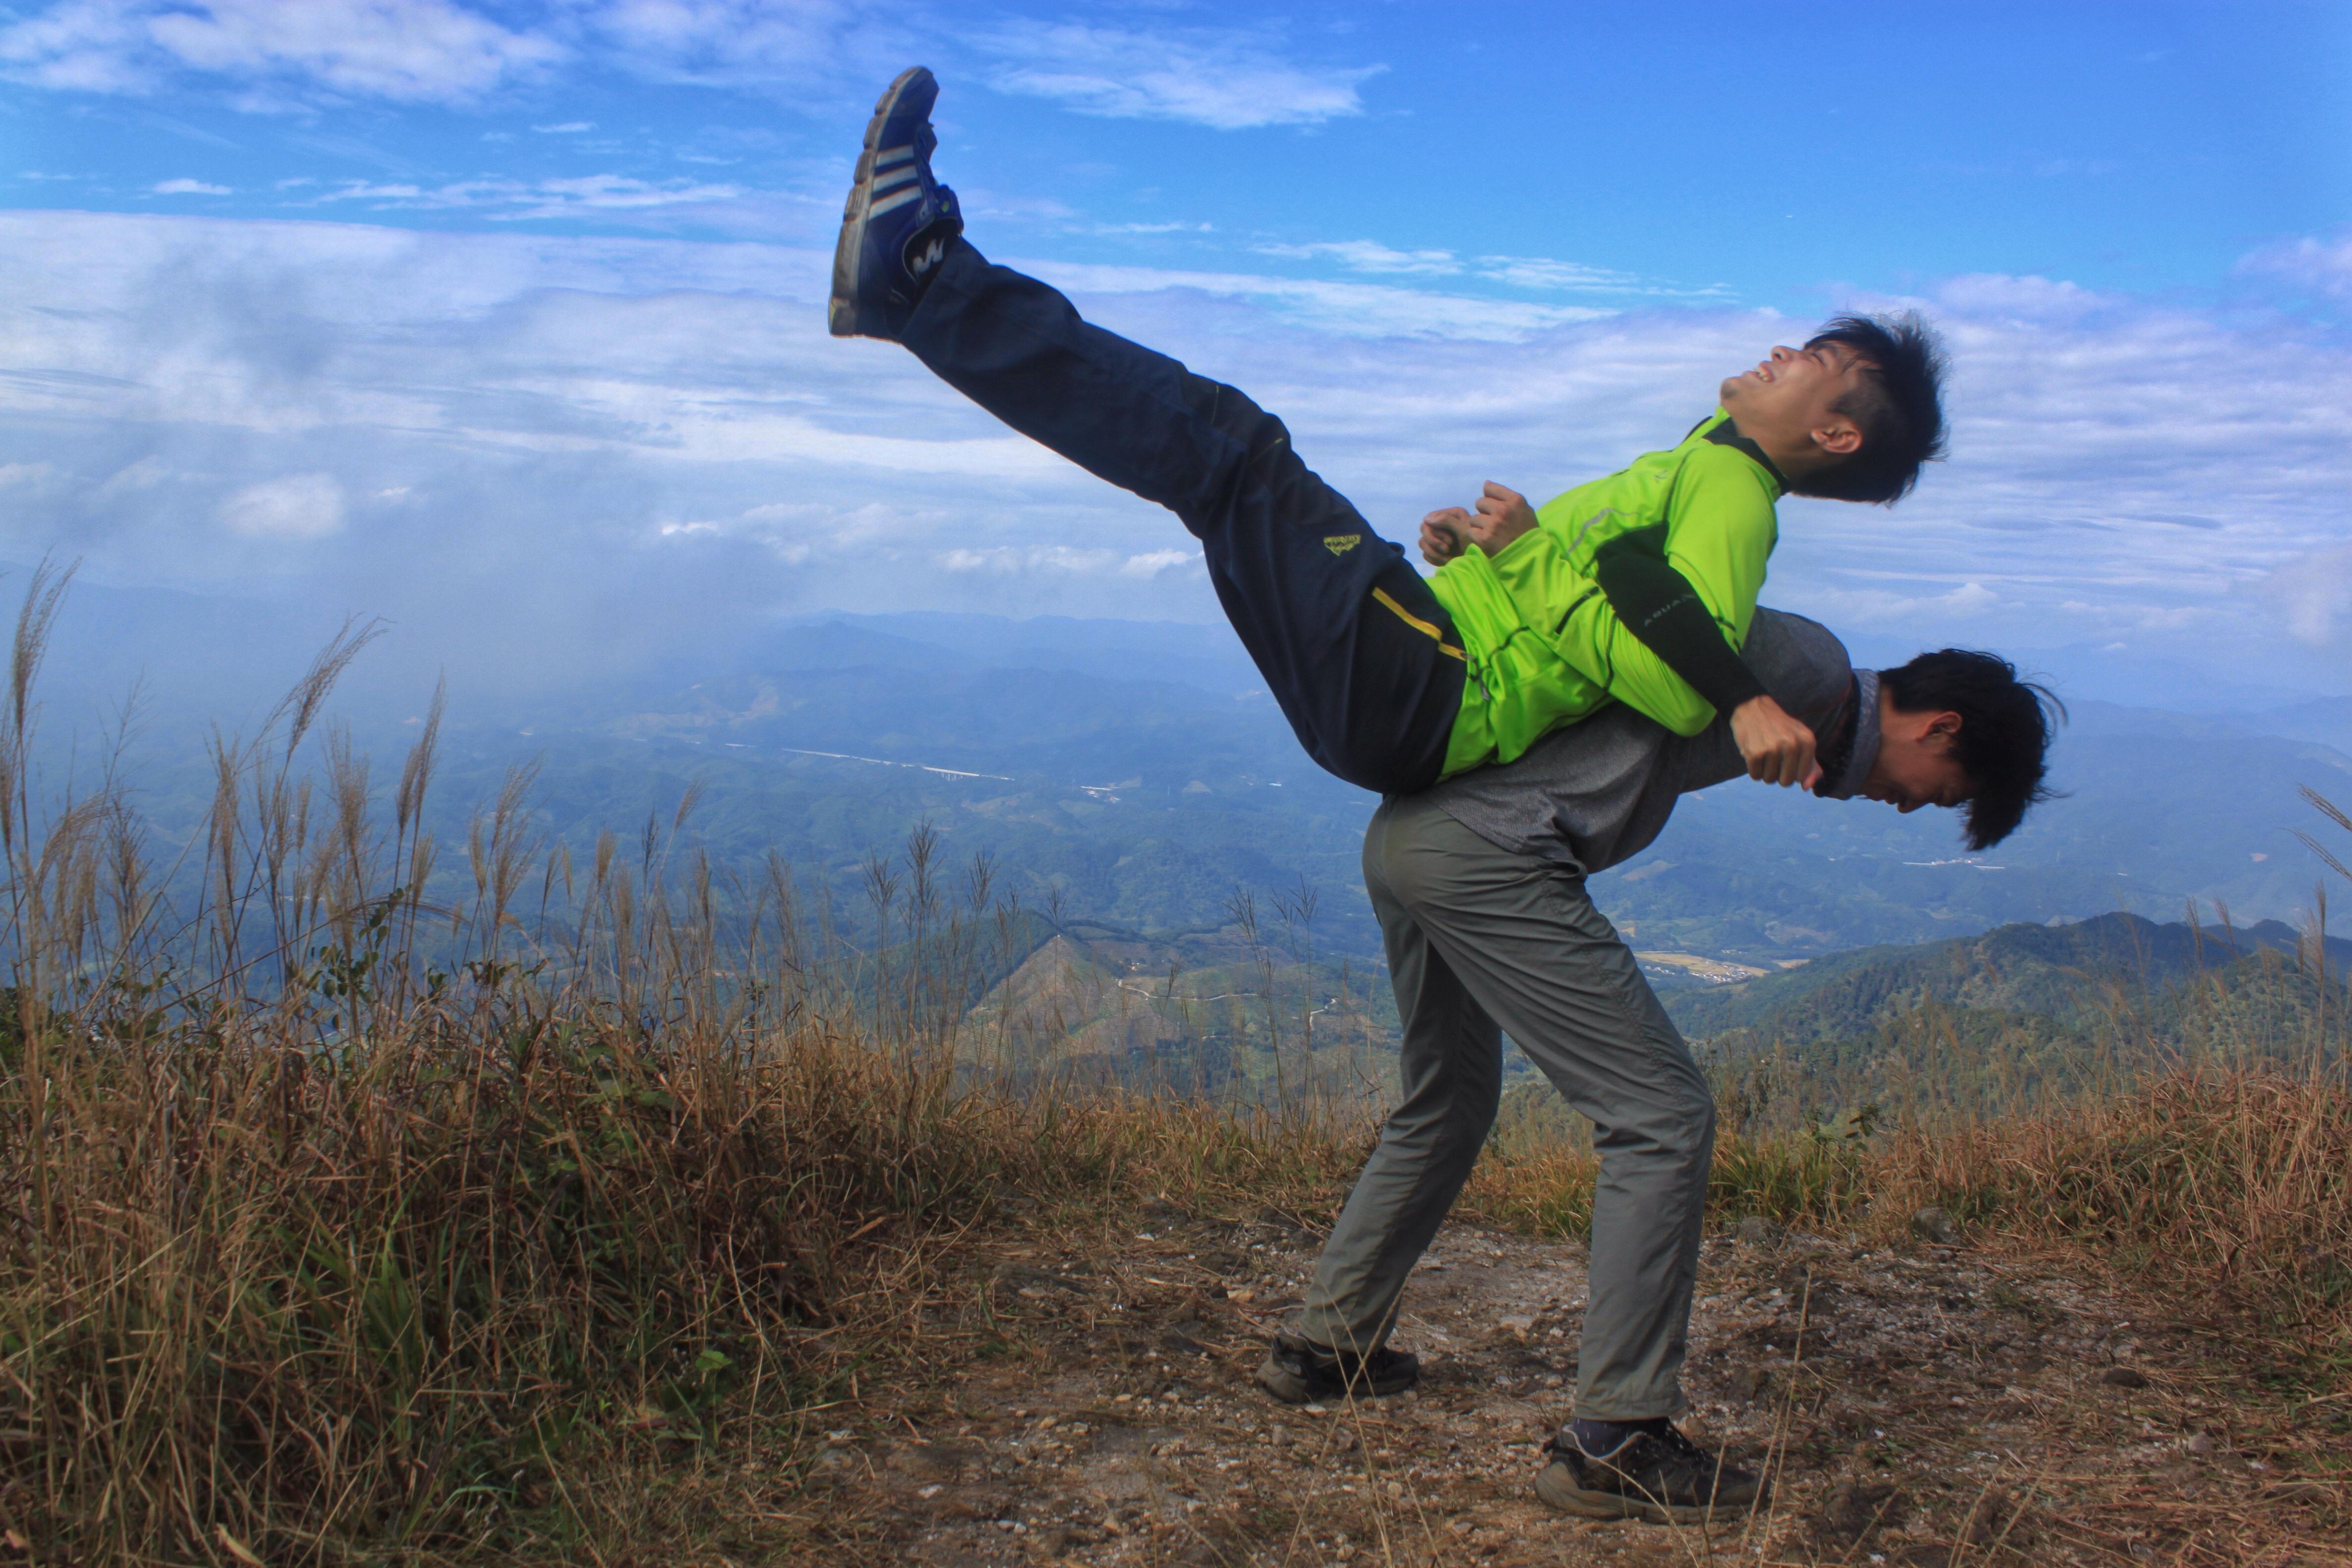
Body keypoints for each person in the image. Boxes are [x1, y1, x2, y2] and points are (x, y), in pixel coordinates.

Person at [827, 68, 1950, 803]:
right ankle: (925, 289)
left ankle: (924, 282)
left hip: (1426, 685)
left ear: (1837, 436)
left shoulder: (1735, 495)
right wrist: (1478, 555)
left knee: (1231, 456)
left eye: (1819, 363)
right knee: (1224, 463)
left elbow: (1678, 679)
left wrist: (1531, 559)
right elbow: (1600, 609)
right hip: (1417, 669)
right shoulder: (1701, 467)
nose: (1785, 352)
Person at [1259, 612, 2059, 1523]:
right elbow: (1645, 595)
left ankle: (1325, 1348)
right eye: (1943, 793)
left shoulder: (1810, 702)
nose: (1912, 806)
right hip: (1490, 855)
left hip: (1413, 837)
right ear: (1941, 728)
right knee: (1662, 1115)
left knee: (1450, 1099)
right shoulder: (1810, 666)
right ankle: (1618, 1440)